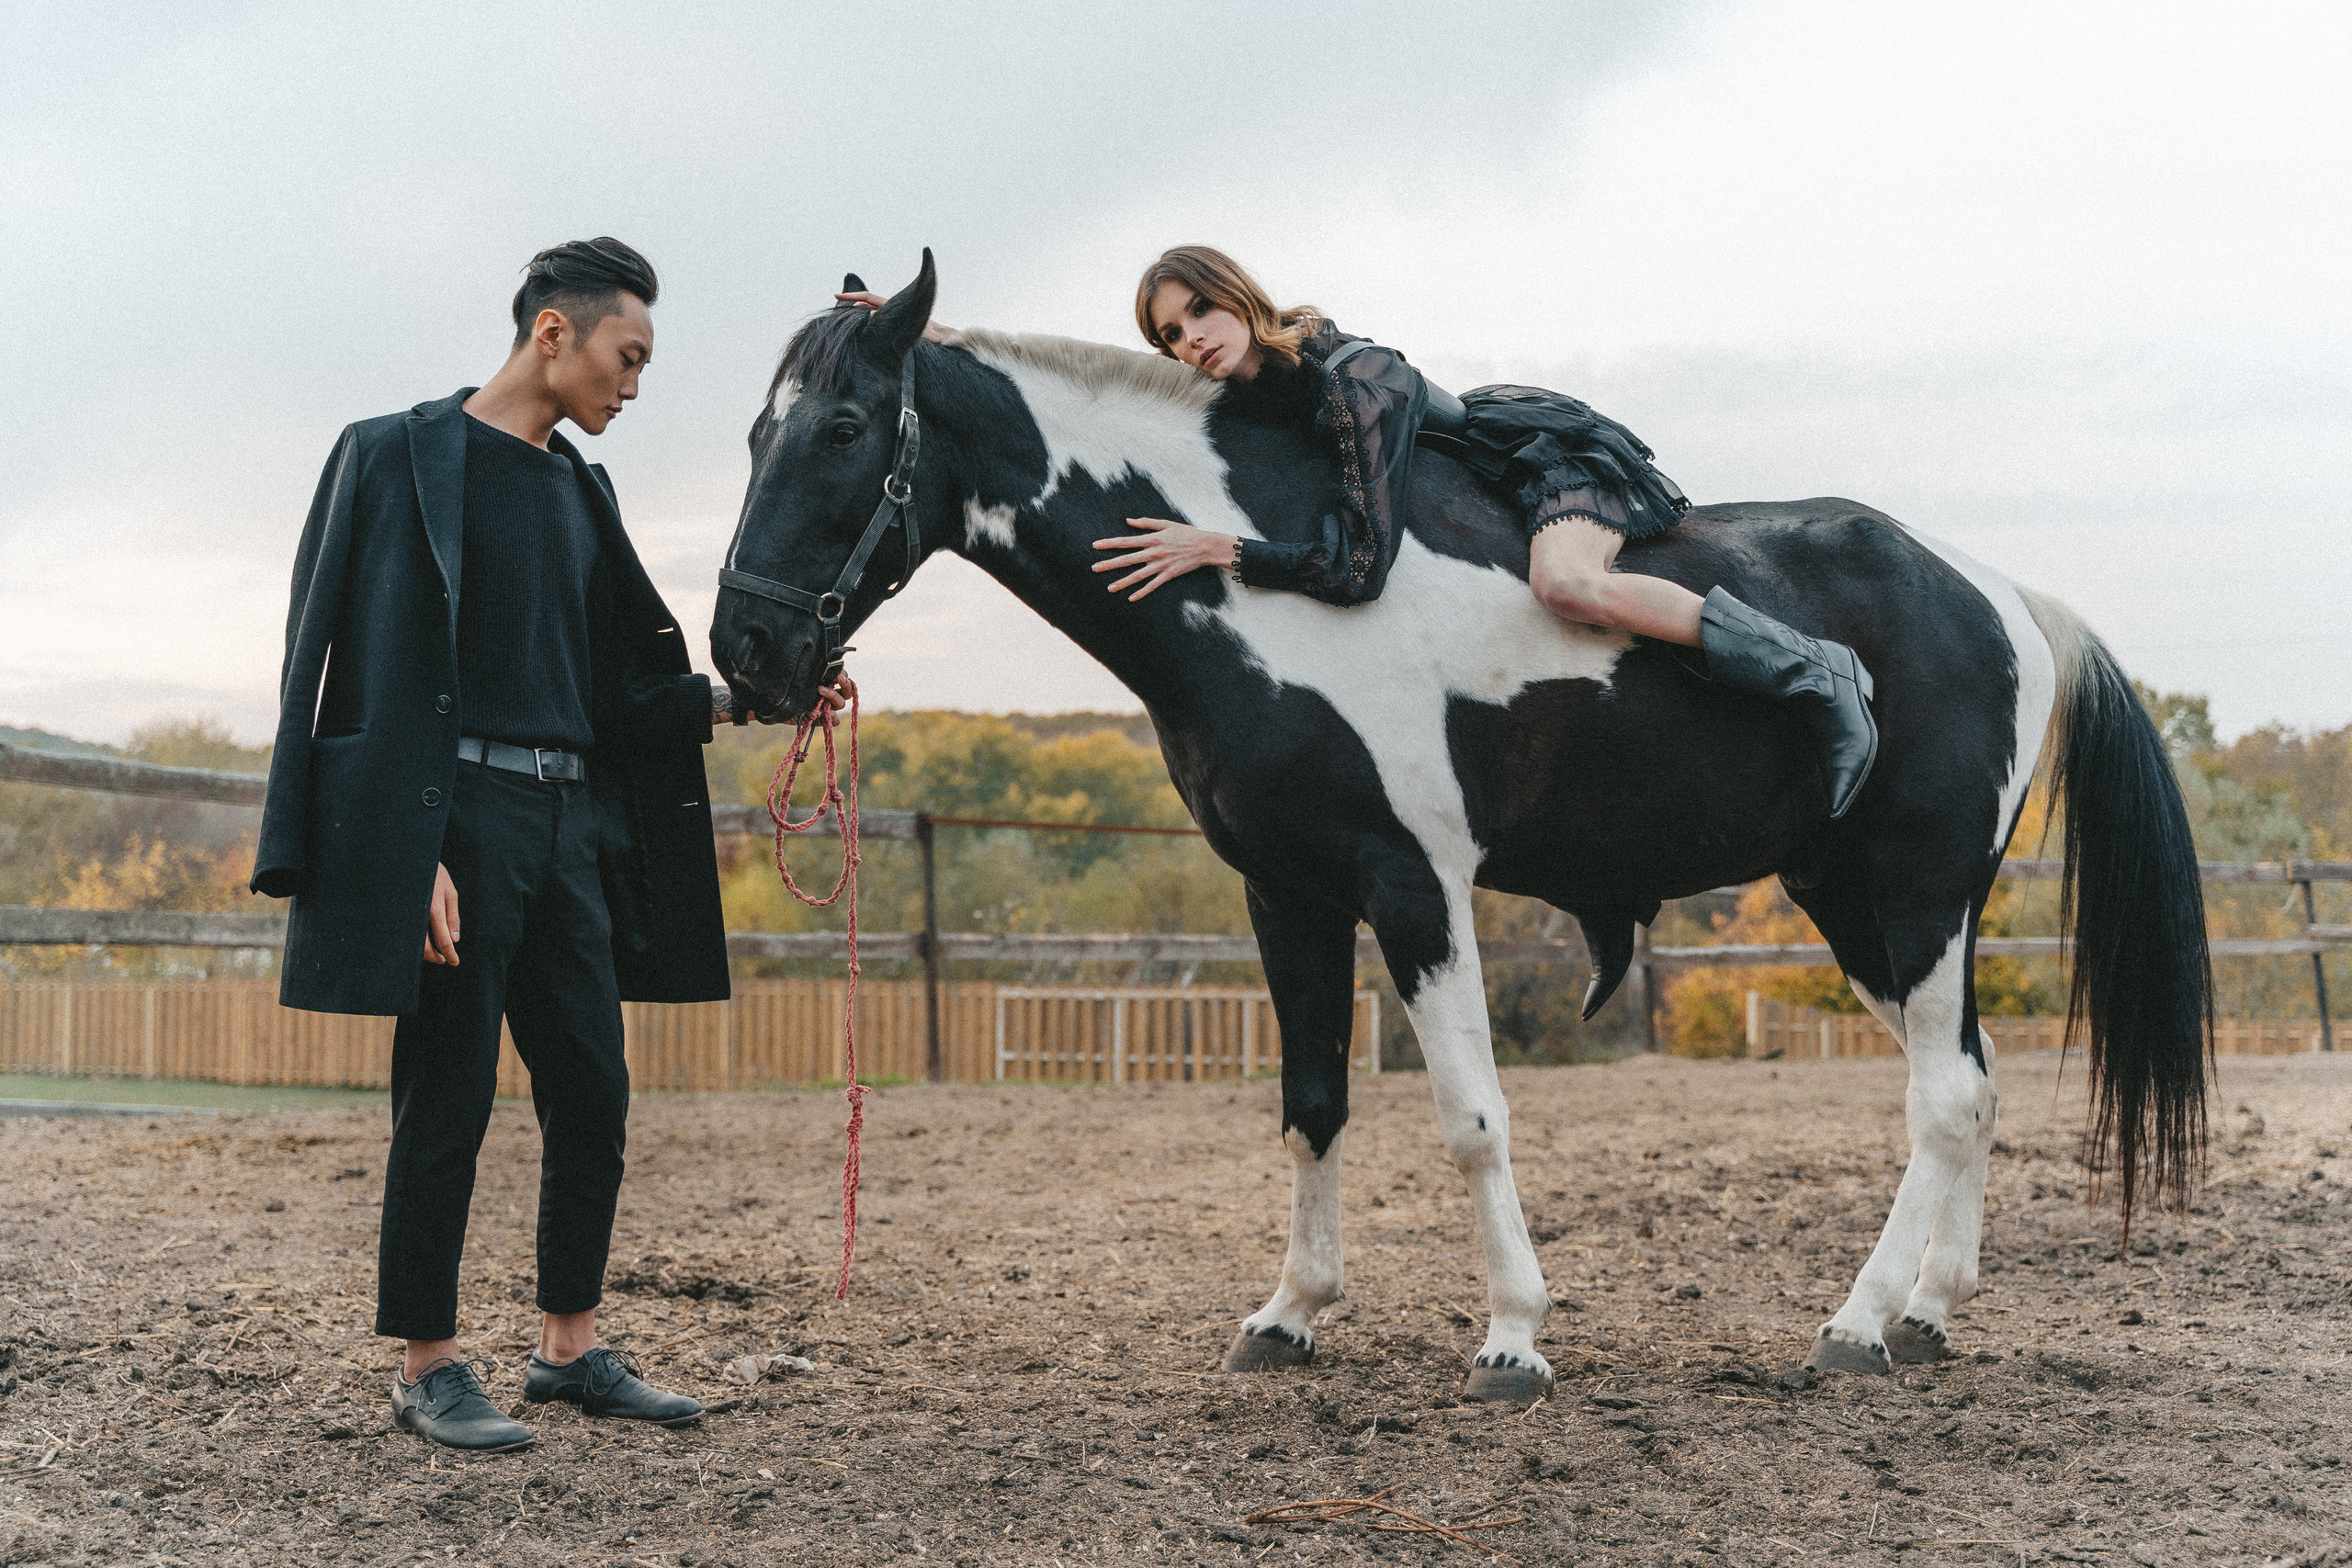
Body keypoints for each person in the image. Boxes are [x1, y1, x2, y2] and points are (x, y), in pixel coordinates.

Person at [253, 237, 840, 1451]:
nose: (634, 384)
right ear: (555, 333)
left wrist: (755, 698)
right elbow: (326, 663)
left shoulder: (583, 492)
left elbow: (621, 699)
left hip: (572, 827)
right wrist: (392, 855)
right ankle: (428, 1362)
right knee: (448, 1094)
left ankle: (568, 1350)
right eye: (628, 356)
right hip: (448, 827)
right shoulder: (391, 457)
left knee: (594, 1089)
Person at [1103, 245, 1880, 819]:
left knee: (1567, 586)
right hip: (1470, 506)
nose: (1191, 339)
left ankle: (1815, 669)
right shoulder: (1250, 400)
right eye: (1170, 335)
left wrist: (1219, 549)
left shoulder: (1356, 379)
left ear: (1235, 295)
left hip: (1536, 467)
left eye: (1199, 310)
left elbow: (1359, 568)